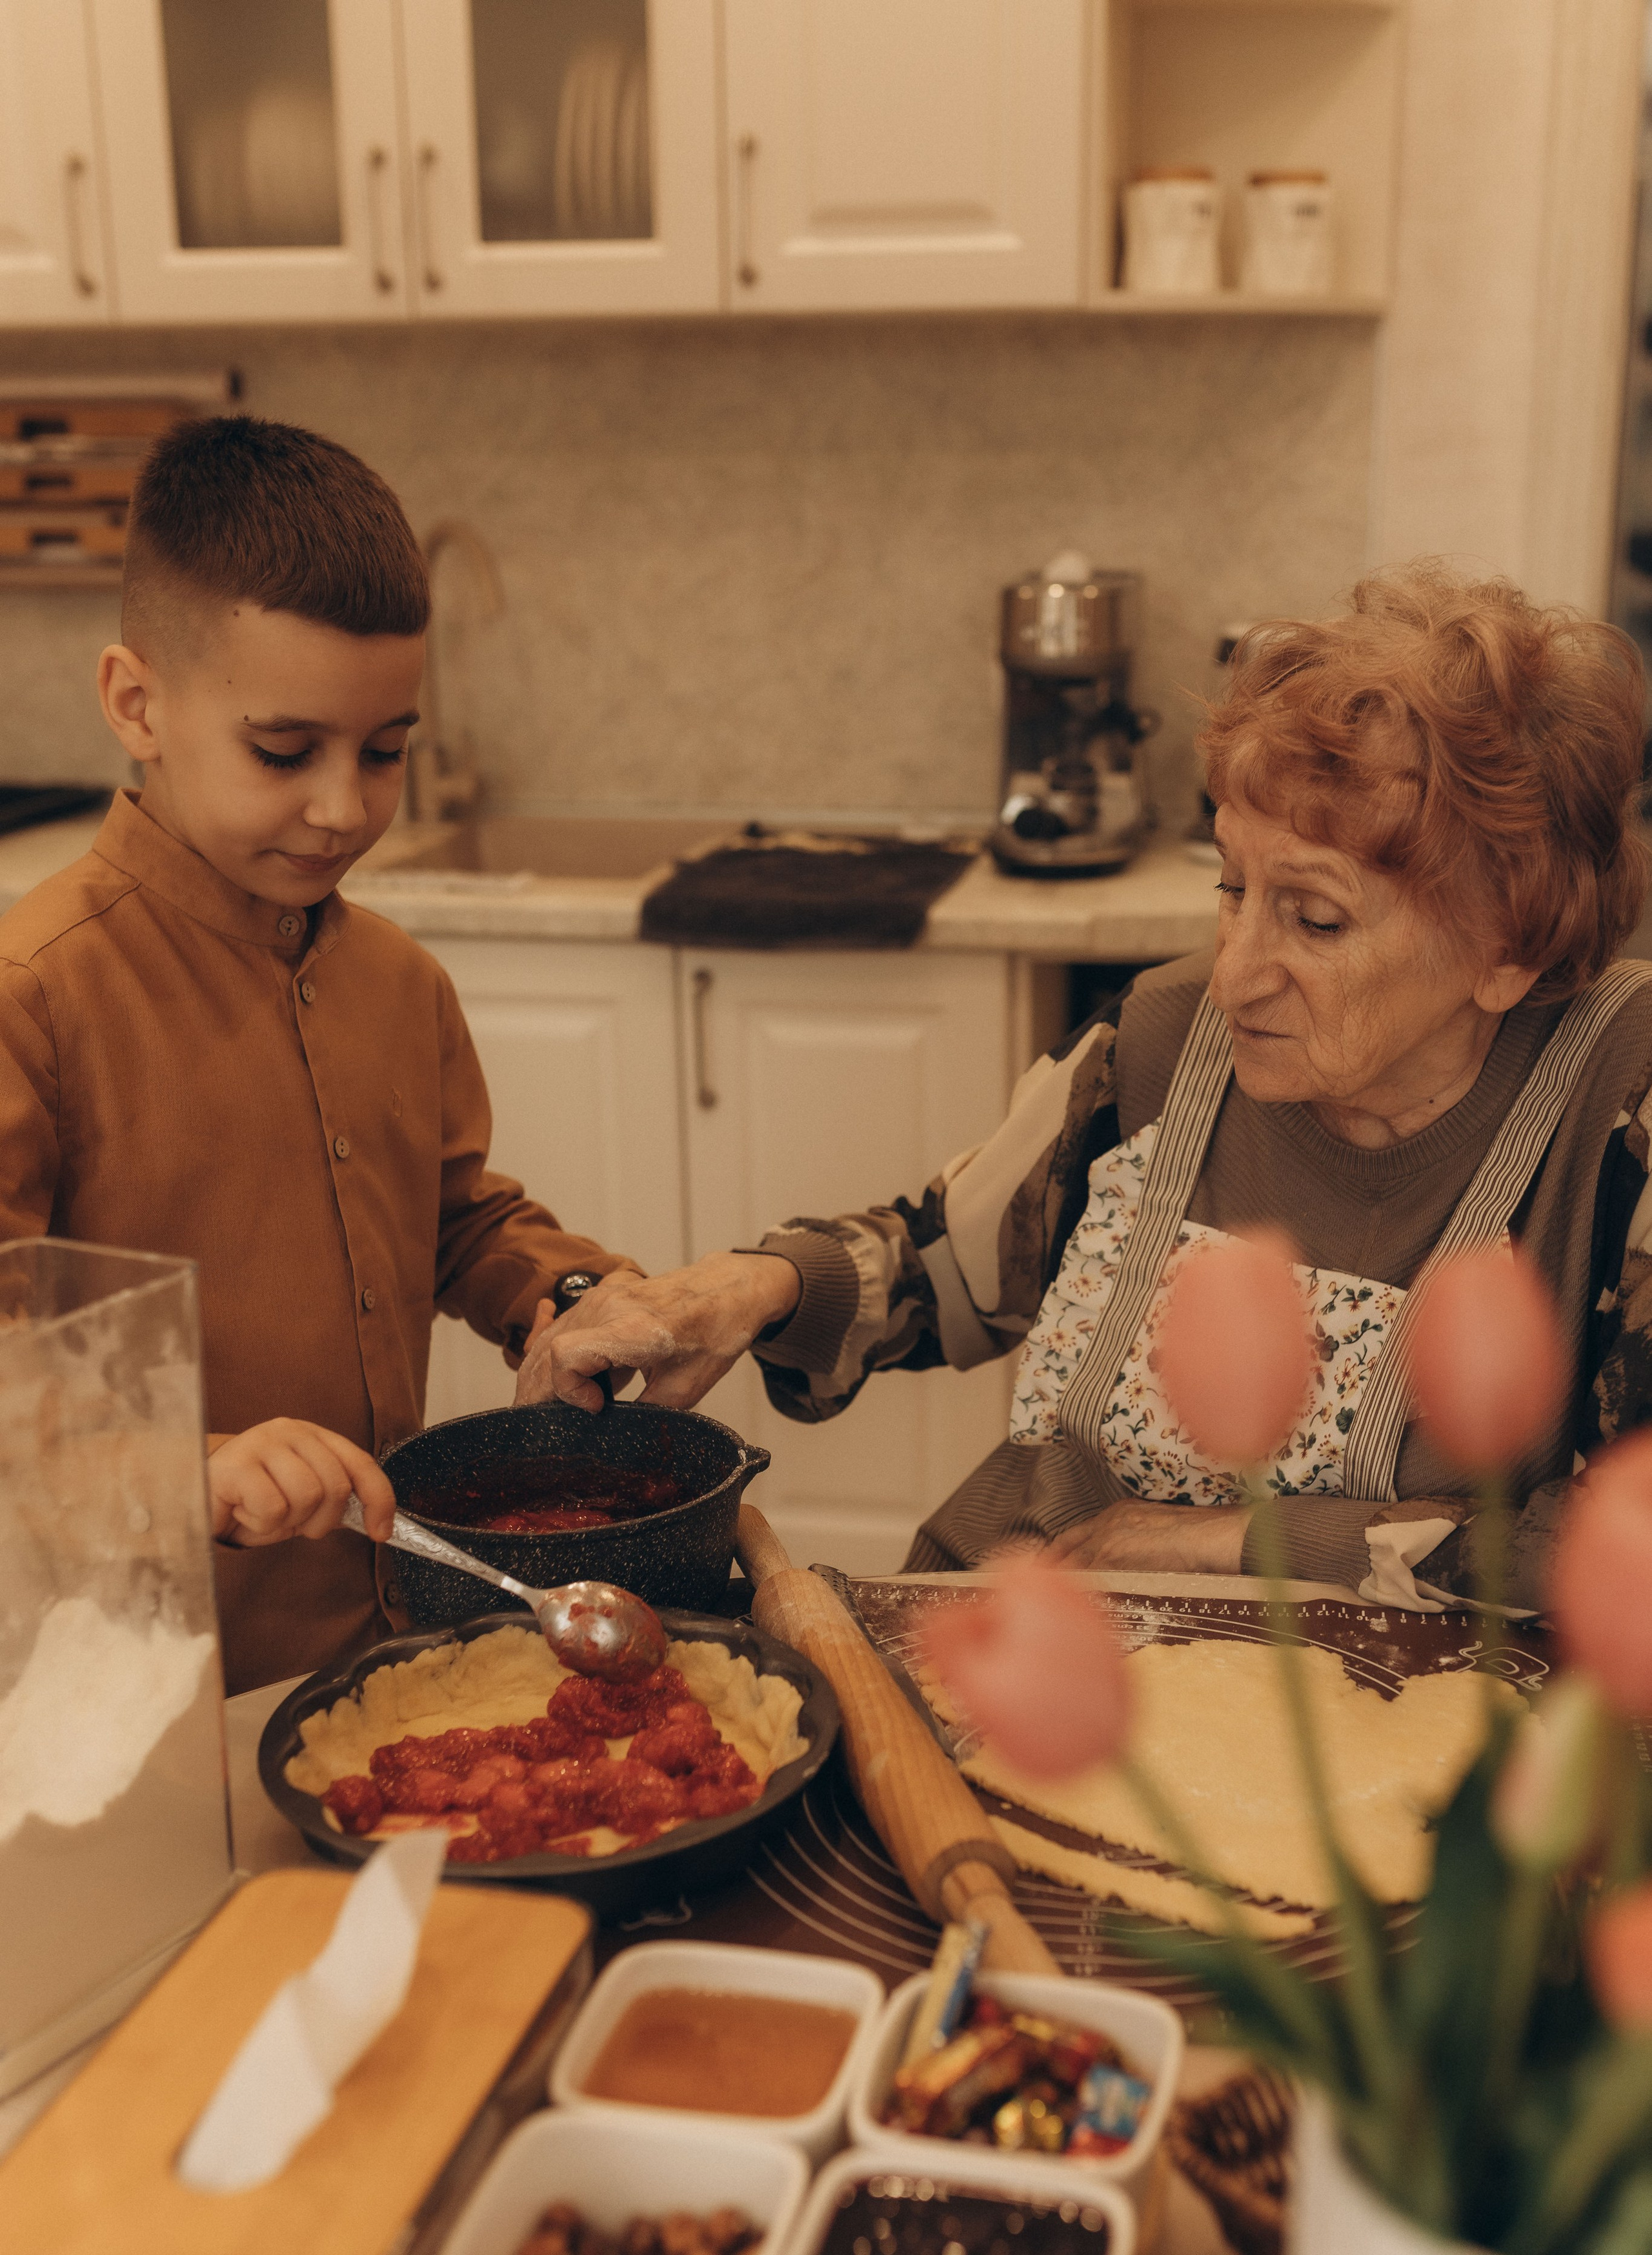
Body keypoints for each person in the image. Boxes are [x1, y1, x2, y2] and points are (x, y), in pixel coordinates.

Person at [514, 564, 1652, 1612]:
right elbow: (953, 1260)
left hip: (1381, 1712)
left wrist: (1224, 1542)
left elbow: (1618, 1544)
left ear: (1509, 949)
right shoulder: (1160, 1035)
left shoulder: (1622, 1112)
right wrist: (744, 1288)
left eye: (1315, 919)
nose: (1237, 975)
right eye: (1231, 885)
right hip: (1030, 1623)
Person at [0, 416, 629, 1692]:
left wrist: (566, 1294)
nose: (344, 807)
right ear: (136, 704)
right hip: (134, 1678)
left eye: (384, 751)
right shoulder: (35, 995)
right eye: (283, 753)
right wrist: (186, 1469)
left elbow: (448, 1216)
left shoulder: (399, 982)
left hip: (380, 1637)